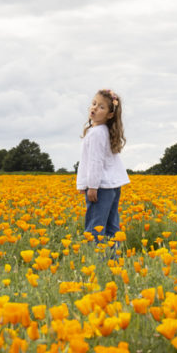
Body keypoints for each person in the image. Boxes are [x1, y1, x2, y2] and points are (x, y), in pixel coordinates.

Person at [76, 89, 129, 256]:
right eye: (93, 104)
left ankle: (95, 262)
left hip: (100, 187)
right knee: (112, 225)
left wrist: (92, 186)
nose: (94, 108)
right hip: (112, 185)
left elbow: (95, 162)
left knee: (95, 226)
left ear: (110, 114)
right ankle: (115, 259)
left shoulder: (97, 133)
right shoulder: (104, 131)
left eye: (101, 107)